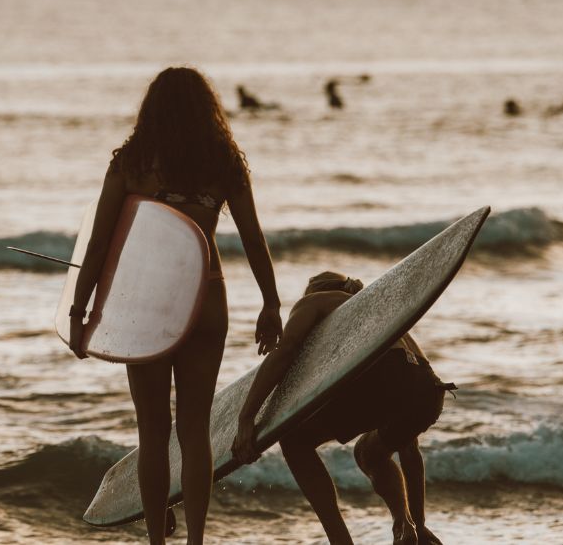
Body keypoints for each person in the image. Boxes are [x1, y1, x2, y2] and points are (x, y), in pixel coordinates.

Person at [68, 67, 282, 545]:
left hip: (148, 303)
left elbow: (100, 242)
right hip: (207, 296)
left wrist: (78, 312)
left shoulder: (133, 160)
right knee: (194, 429)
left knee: (152, 432)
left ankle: (157, 543)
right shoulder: (224, 161)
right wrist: (271, 302)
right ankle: (197, 540)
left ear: (153, 109)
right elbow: (253, 238)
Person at [232, 272, 451, 545]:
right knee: (369, 453)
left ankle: (340, 541)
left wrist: (247, 417)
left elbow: (286, 350)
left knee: (294, 439)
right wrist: (421, 523)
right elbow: (410, 450)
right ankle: (405, 526)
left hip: (387, 375)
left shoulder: (315, 302)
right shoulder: (384, 315)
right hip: (429, 390)